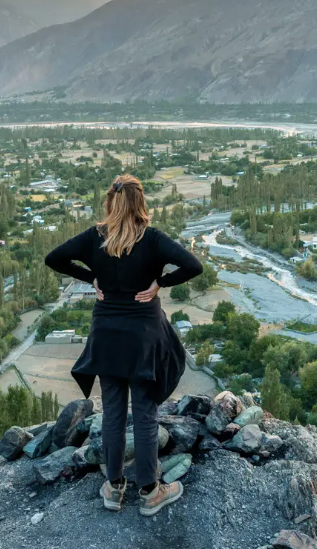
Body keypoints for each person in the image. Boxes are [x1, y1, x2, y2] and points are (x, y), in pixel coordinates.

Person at [44, 174, 203, 516]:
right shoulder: (153, 239)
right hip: (142, 339)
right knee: (145, 415)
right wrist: (161, 282)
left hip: (107, 337)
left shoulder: (94, 238)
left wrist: (92, 278)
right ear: (140, 202)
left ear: (110, 202)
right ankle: (150, 492)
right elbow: (193, 265)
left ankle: (114, 488)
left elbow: (53, 259)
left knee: (113, 414)